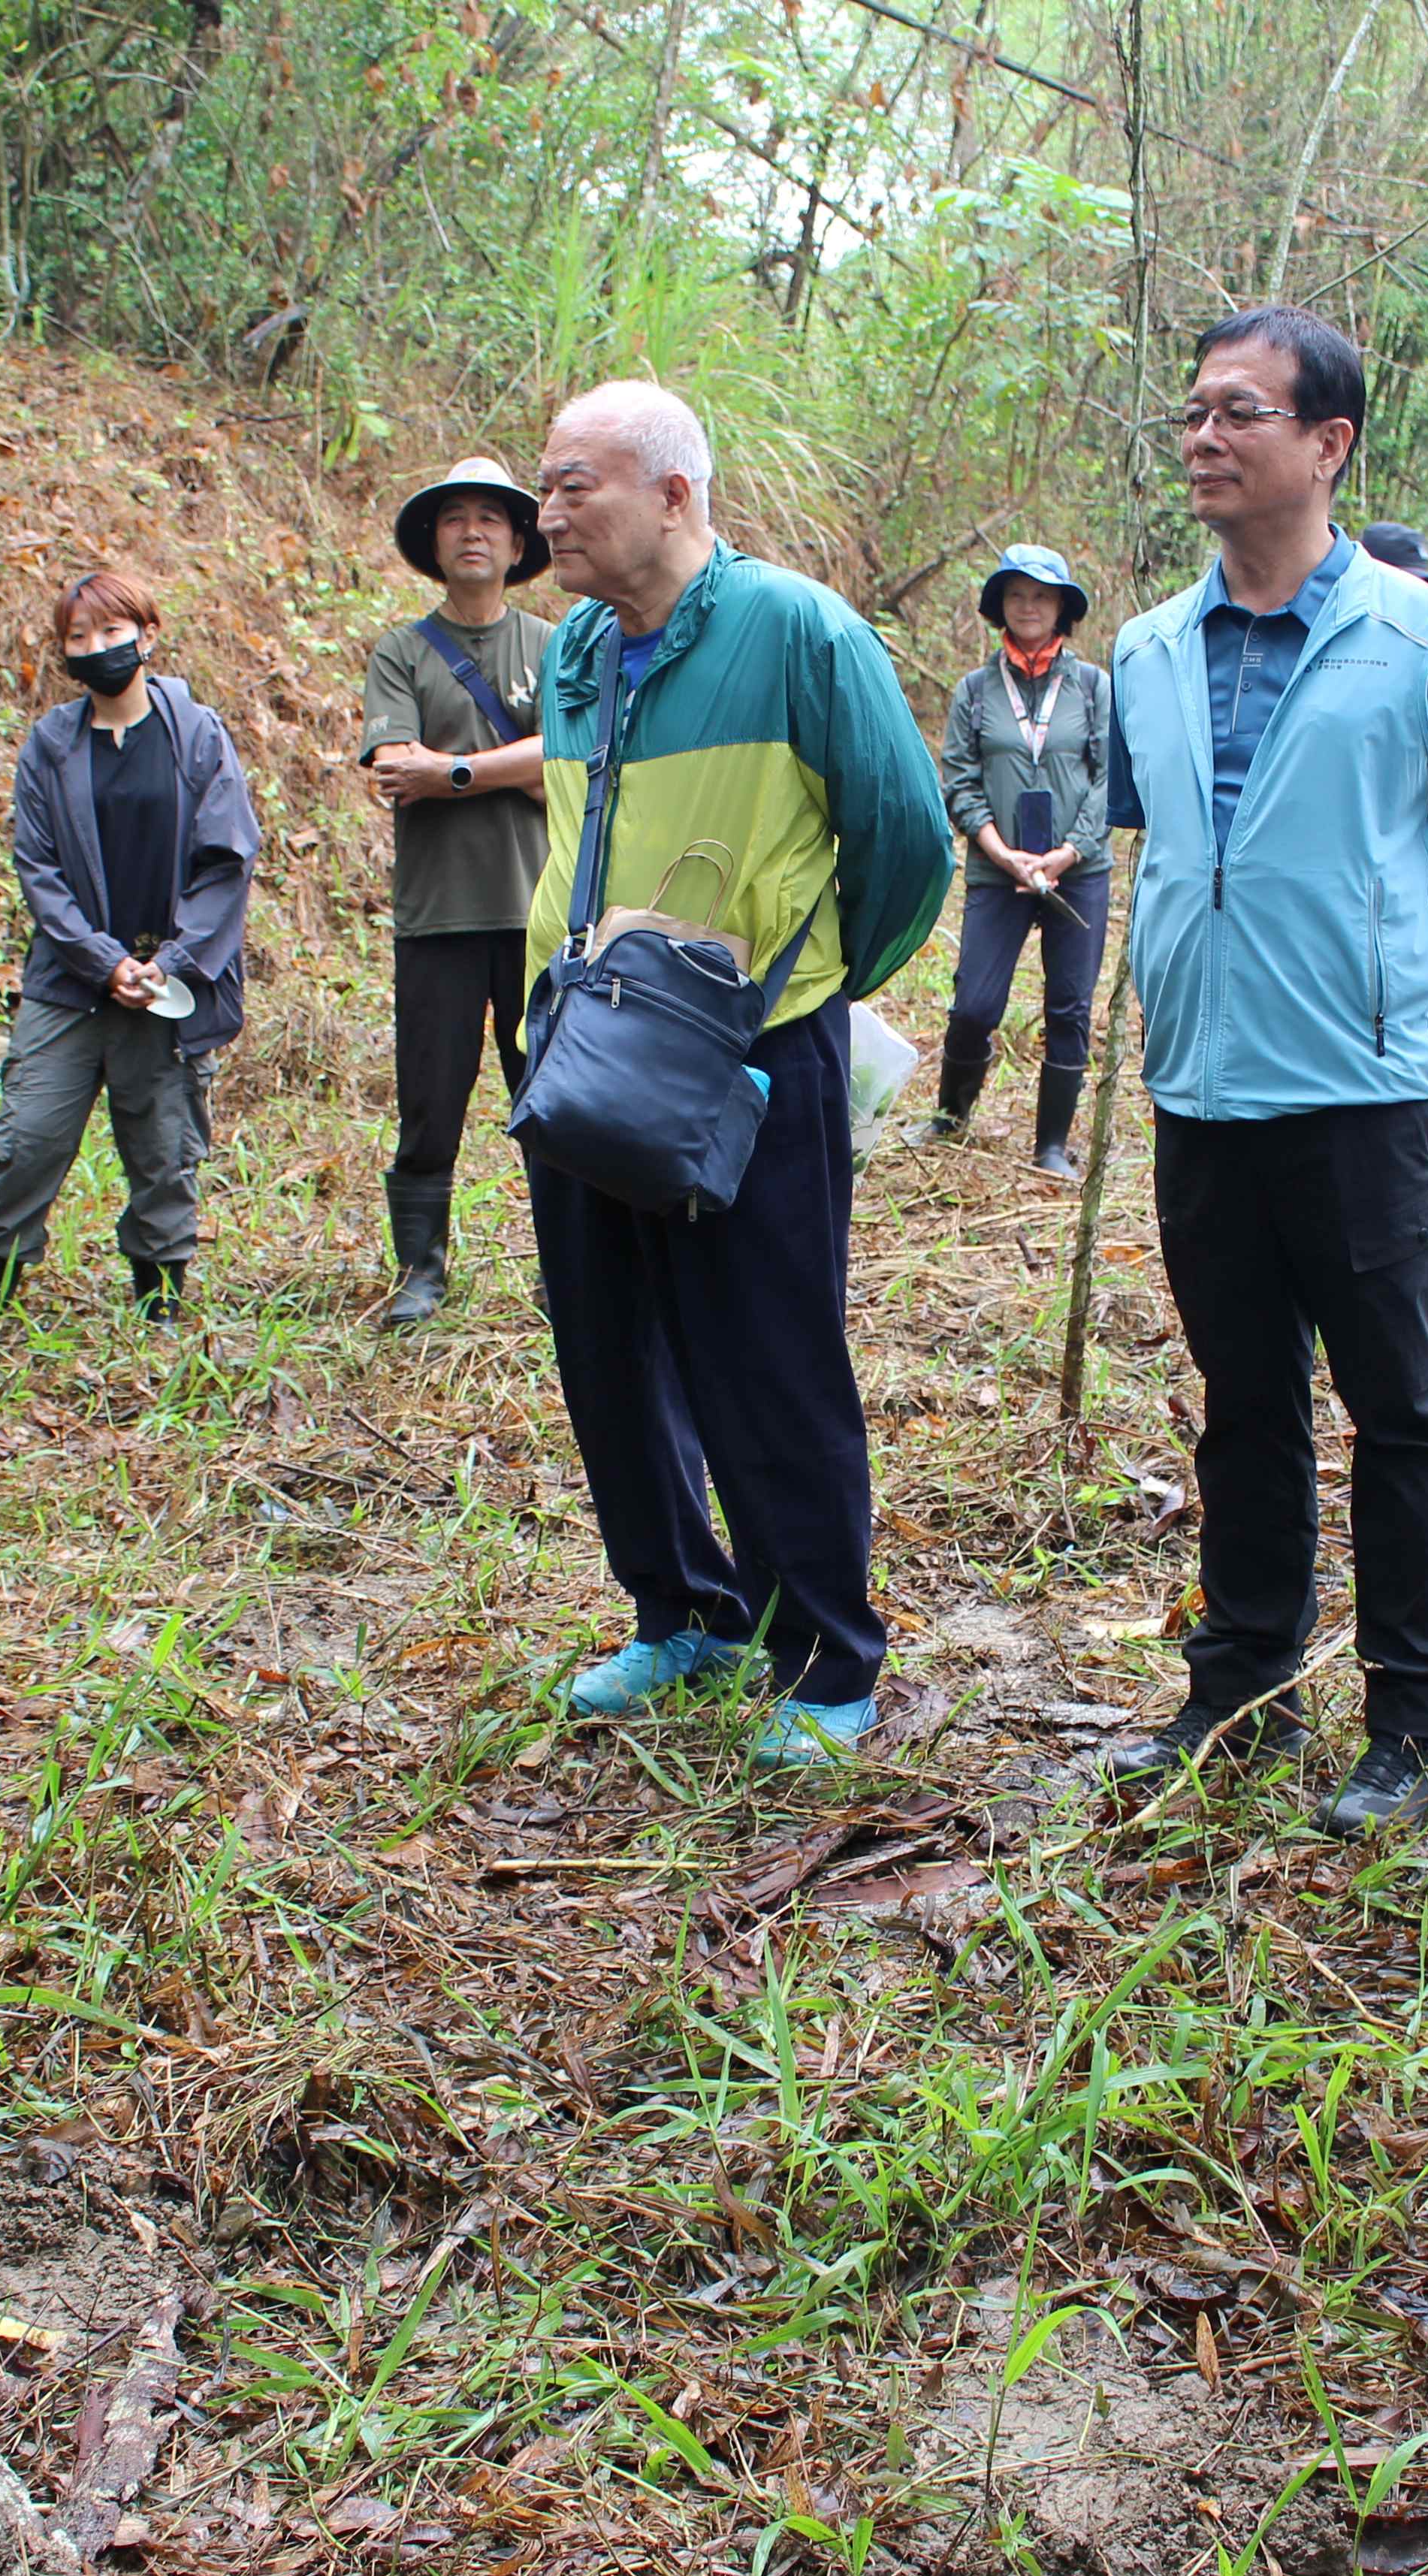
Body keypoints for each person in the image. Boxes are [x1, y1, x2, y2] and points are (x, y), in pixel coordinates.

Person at [1085, 307, 1428, 1835]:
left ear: (1329, 443)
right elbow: (1163, 833)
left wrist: (1358, 944)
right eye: (1193, 412)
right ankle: (1240, 1687)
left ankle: (1410, 1719)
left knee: (1398, 1403)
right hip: (1201, 1083)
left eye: (1241, 413)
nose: (1204, 438)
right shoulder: (1145, 648)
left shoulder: (1420, 635)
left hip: (1357, 1088)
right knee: (1242, 1401)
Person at [521, 379, 949, 1768]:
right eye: (543, 484)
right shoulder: (576, 649)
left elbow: (906, 838)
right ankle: (683, 1610)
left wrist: (805, 990)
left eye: (574, 484)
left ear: (673, 493)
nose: (546, 512)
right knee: (608, 1348)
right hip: (584, 1041)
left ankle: (825, 1659)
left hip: (749, 1050)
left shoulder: (796, 630)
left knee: (766, 1355)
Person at [0, 568, 259, 1321]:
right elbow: (38, 868)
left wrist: (171, 962)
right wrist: (102, 960)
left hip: (169, 987)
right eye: (78, 636)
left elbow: (227, 859)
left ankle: (159, 1307)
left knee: (165, 1149)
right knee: (28, 1137)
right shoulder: (51, 745)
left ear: (148, 635)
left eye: (112, 631)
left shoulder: (197, 734)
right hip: (70, 984)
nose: (97, 647)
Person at [358, 457, 550, 1325]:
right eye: (454, 519)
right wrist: (517, 769)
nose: (473, 532)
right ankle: (421, 1273)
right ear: (434, 545)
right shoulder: (401, 652)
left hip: (539, 913)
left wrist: (457, 770)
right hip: (436, 917)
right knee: (430, 1102)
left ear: (516, 543)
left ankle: (567, 1268)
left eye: (490, 519)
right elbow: (397, 769)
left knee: (550, 1100)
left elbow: (574, 761)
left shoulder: (552, 647)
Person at [923, 545, 1112, 1173]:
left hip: (1076, 874)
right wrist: (1000, 852)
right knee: (974, 1004)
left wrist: (1069, 851)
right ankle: (951, 1117)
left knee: (1070, 1007)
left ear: (1062, 608)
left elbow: (1110, 778)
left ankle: (1051, 1145)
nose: (1028, 607)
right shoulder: (976, 691)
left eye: (1042, 596)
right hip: (996, 871)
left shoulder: (1092, 687)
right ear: (999, 606)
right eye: (1016, 595)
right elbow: (959, 779)